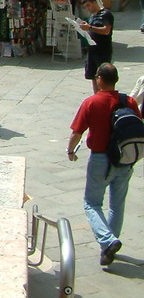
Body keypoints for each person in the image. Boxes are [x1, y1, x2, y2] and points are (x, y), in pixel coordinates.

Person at [67, 63, 142, 266]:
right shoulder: (129, 101)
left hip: (100, 159)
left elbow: (77, 132)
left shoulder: (91, 102)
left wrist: (70, 151)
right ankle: (108, 249)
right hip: (125, 160)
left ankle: (108, 241)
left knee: (92, 203)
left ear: (99, 79)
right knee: (117, 206)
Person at [77, 0, 114, 93]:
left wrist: (89, 28)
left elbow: (106, 30)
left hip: (102, 51)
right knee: (93, 76)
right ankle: (96, 97)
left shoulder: (106, 14)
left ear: (94, 2)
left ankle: (105, 97)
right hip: (92, 50)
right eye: (86, 7)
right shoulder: (92, 16)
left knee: (103, 77)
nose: (88, 9)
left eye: (89, 5)